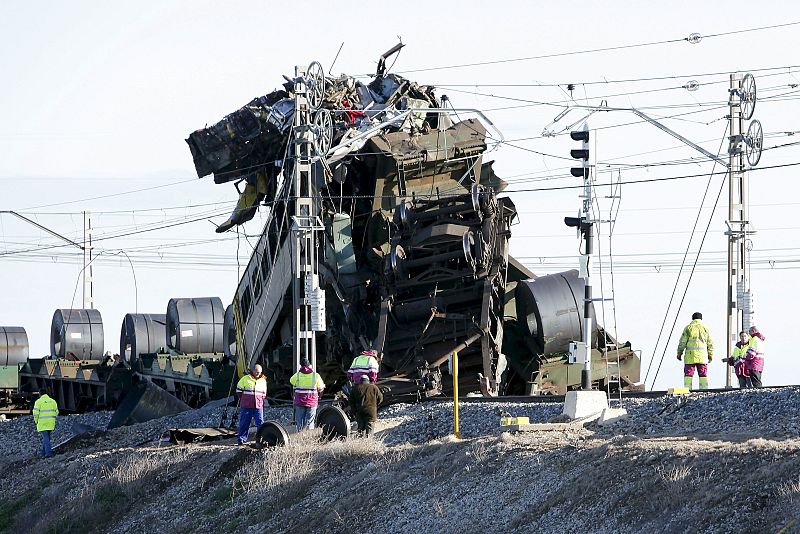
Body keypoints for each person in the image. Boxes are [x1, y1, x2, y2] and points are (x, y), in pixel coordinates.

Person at [677, 311, 714, 390]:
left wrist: (679, 353)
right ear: (701, 319)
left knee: (688, 374)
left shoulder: (688, 328)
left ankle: (687, 390)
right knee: (703, 374)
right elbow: (710, 343)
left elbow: (682, 342)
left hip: (690, 356)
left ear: (692, 319)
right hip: (702, 356)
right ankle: (704, 390)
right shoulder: (705, 328)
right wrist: (710, 355)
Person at [289, 358, 325, 432]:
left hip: (300, 402)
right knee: (310, 422)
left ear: (300, 366)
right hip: (312, 402)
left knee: (300, 422)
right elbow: (321, 388)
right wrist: (319, 396)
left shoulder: (297, 375)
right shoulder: (316, 376)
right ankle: (309, 438)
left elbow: (291, 381)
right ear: (310, 366)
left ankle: (300, 437)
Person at [235, 364, 267, 445]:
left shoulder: (263, 380)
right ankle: (241, 438)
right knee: (244, 422)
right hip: (247, 405)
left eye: (259, 372)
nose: (258, 374)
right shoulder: (245, 379)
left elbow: (264, 393)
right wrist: (244, 399)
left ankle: (260, 438)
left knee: (260, 422)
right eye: (256, 372)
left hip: (258, 405)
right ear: (253, 371)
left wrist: (260, 400)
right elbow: (239, 391)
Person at [32, 387, 58, 458]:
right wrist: (53, 419)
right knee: (47, 437)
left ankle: (48, 453)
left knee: (46, 438)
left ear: (40, 394)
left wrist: (36, 421)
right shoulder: (52, 401)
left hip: (42, 423)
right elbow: (56, 412)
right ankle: (43, 452)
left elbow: (35, 413)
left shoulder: (38, 402)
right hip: (51, 423)